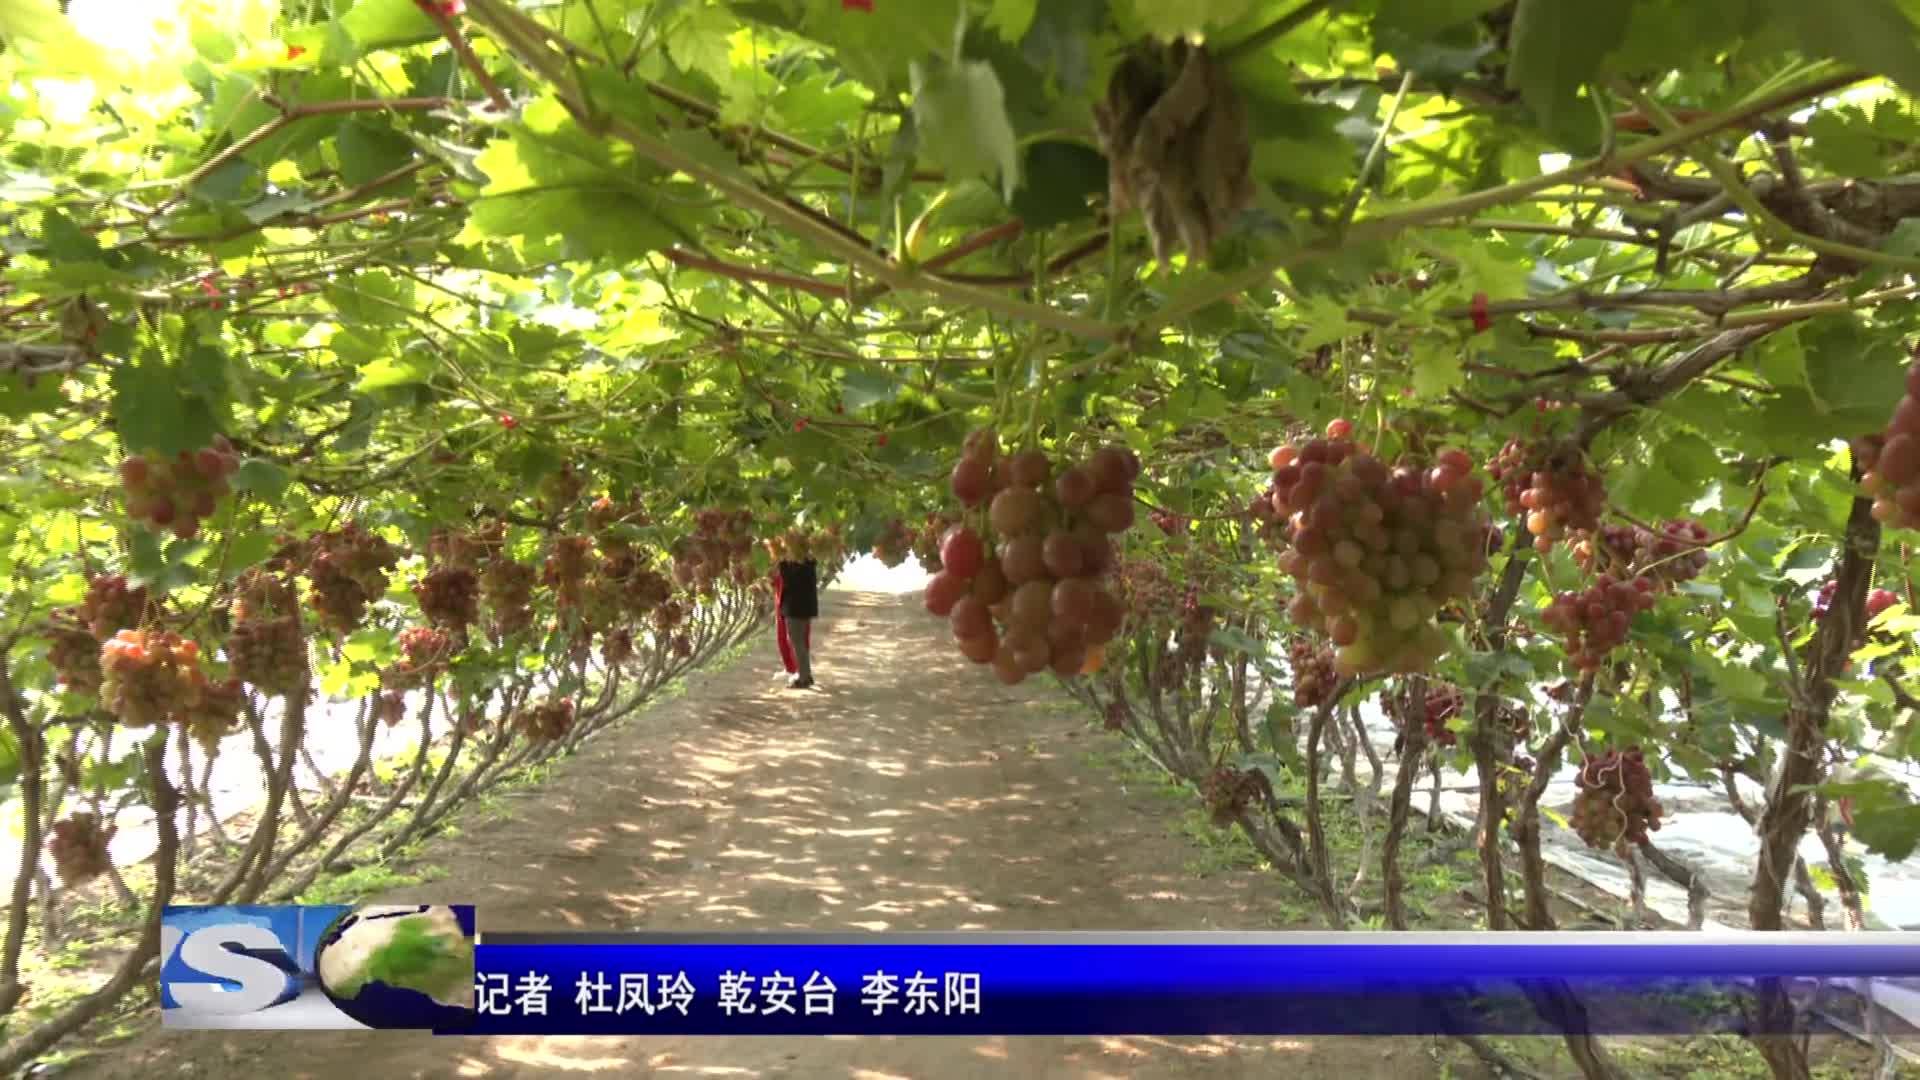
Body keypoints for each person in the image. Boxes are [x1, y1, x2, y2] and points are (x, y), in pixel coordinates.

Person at [775, 541, 819, 690]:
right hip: (803, 608)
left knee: (796, 641)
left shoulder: (796, 564)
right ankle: (806, 674)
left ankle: (804, 677)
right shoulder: (809, 561)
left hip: (796, 608)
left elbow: (789, 580)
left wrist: (781, 563)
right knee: (798, 641)